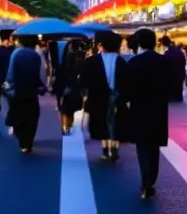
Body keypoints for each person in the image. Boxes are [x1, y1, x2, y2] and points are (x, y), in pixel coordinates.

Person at [125, 28, 170, 200]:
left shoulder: (134, 63)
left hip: (139, 109)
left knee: (142, 146)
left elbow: (128, 89)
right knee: (154, 146)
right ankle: (151, 179)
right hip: (158, 109)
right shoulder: (163, 61)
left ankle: (146, 181)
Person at [81, 31, 129, 160]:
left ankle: (105, 148)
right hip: (118, 98)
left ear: (102, 45)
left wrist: (85, 96)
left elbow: (84, 81)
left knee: (101, 122)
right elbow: (127, 83)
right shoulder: (122, 61)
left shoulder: (91, 61)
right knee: (116, 123)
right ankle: (114, 147)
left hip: (98, 97)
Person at [6, 35, 47, 153]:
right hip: (32, 91)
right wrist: (42, 88)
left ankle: (22, 141)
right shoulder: (37, 54)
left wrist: (8, 87)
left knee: (19, 115)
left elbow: (10, 74)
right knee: (32, 117)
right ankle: (28, 142)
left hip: (18, 90)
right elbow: (42, 74)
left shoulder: (16, 53)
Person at [55, 39, 87, 134]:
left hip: (62, 85)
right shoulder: (82, 59)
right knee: (71, 108)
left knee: (62, 107)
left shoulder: (63, 60)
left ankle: (63, 126)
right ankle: (69, 125)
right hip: (75, 86)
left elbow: (58, 73)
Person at [161, 36, 186, 102]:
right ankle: (178, 98)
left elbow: (164, 65)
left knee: (172, 89)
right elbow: (183, 62)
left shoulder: (167, 53)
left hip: (170, 75)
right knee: (178, 89)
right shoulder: (179, 52)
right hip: (179, 74)